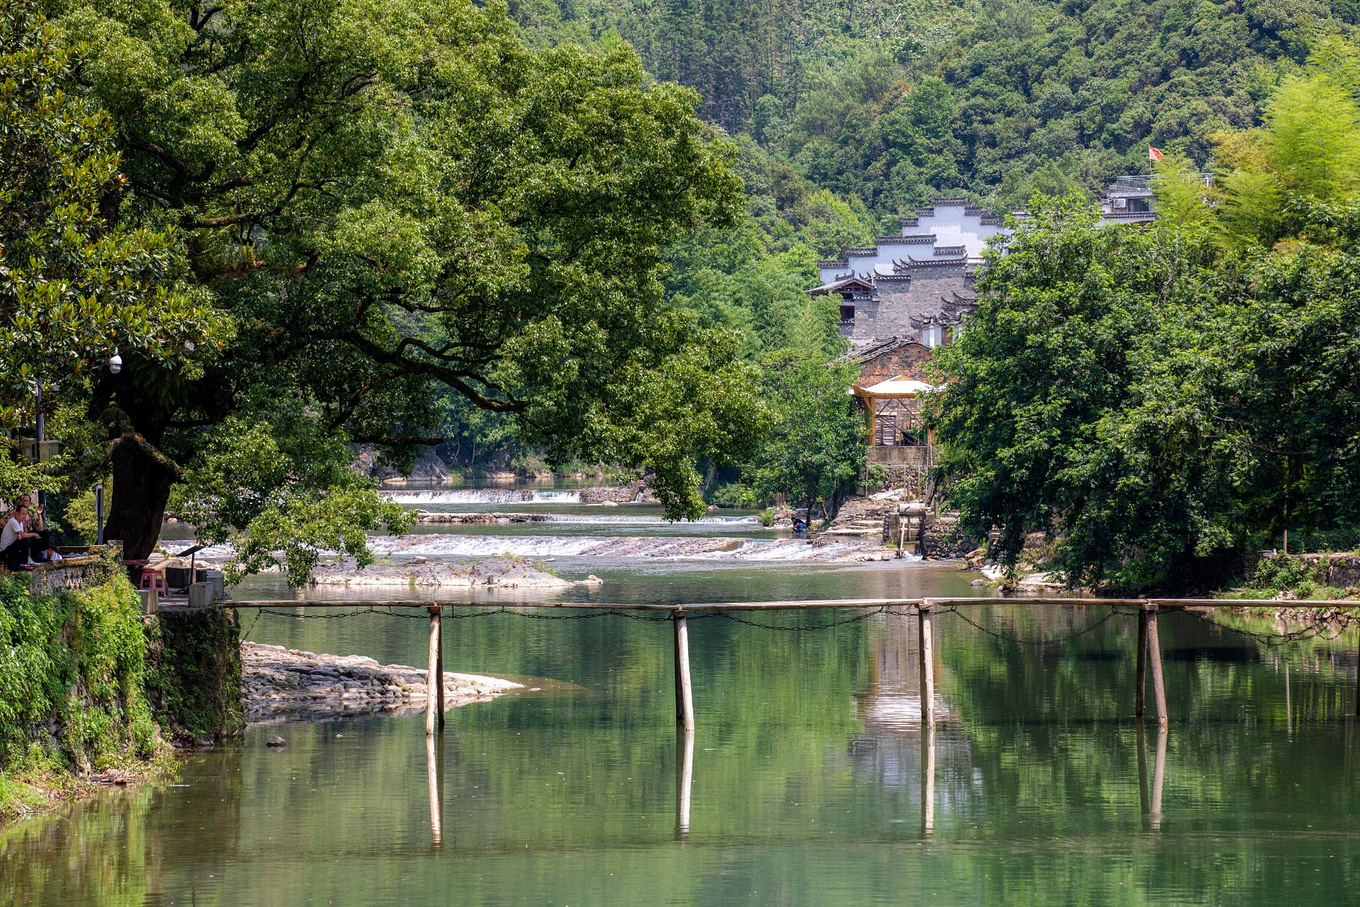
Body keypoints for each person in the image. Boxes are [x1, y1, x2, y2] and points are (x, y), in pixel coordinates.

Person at [1, 504, 46, 569]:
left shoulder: (20, 523)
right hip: (5, 549)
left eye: (25, 514)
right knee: (25, 540)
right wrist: (33, 534)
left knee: (32, 539)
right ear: (16, 513)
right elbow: (23, 535)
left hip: (12, 547)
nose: (24, 516)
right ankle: (24, 563)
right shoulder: (13, 521)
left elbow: (20, 536)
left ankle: (36, 558)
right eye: (22, 514)